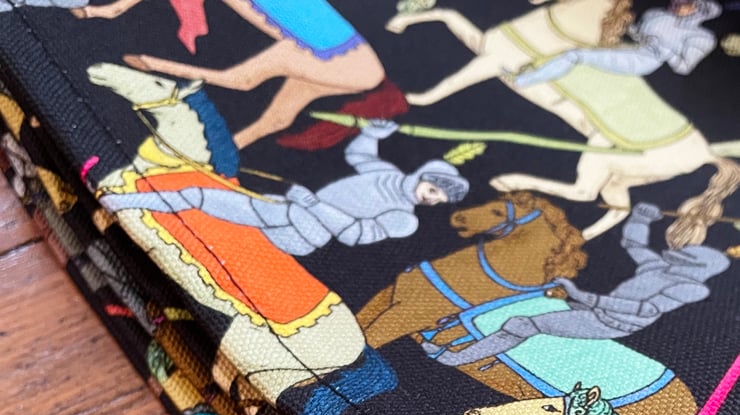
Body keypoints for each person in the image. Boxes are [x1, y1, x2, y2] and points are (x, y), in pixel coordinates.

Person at [424, 202, 730, 366]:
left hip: (610, 321)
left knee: (523, 324)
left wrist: (583, 296)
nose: (673, 258)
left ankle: (455, 358)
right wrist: (640, 218)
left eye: (682, 260)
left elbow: (644, 308)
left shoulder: (693, 288)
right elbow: (633, 243)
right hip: (594, 309)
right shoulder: (659, 267)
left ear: (698, 269)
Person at [100, 119, 470, 255]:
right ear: (425, 174)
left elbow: (354, 235)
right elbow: (358, 153)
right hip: (290, 208)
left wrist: (313, 205)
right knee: (201, 198)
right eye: (436, 189)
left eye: (440, 199)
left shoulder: (405, 219)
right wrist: (372, 133)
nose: (433, 199)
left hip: (302, 233)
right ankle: (124, 202)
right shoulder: (385, 172)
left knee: (208, 214)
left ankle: (127, 207)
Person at [514, 0, 722, 85]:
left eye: (688, 3)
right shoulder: (657, 15)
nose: (680, 4)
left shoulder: (702, 37)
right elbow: (638, 34)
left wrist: (665, 49)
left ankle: (524, 80)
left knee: (575, 54)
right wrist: (624, 22)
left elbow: (684, 67)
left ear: (699, 9)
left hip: (645, 60)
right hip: (632, 47)